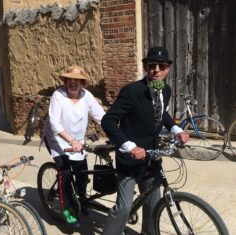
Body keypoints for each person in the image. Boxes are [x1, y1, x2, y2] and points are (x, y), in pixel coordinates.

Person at [101, 46, 190, 235]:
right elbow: (108, 121)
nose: (156, 69)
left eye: (161, 66)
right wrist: (130, 146)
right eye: (152, 65)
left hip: (152, 158)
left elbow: (161, 113)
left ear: (168, 69)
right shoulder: (132, 91)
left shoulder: (165, 90)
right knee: (124, 208)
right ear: (146, 67)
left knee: (153, 204)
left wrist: (176, 130)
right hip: (130, 160)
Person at [43, 65, 105, 227]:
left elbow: (101, 117)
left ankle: (82, 201)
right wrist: (71, 141)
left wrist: (117, 133)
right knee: (65, 174)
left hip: (77, 141)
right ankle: (68, 211)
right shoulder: (58, 96)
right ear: (65, 81)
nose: (72, 82)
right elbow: (55, 124)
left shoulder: (87, 96)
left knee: (82, 173)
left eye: (76, 80)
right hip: (57, 140)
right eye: (69, 79)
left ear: (82, 83)